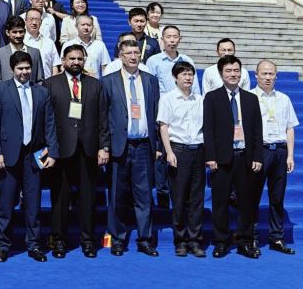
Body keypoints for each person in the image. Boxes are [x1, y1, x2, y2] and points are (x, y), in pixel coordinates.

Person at [0, 51, 58, 262]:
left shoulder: (41, 92)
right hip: (7, 155)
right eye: (20, 68)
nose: (24, 72)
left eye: (27, 68)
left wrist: (53, 151)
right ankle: (3, 245)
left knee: (33, 204)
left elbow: (49, 123)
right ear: (12, 69)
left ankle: (34, 245)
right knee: (5, 204)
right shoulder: (0, 90)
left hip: (34, 155)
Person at [46, 44, 109, 259]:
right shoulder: (50, 84)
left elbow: (103, 119)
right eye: (71, 58)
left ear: (84, 61)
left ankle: (88, 241)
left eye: (79, 59)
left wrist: (104, 147)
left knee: (88, 199)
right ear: (63, 61)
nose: (75, 62)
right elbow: (46, 120)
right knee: (60, 199)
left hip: (88, 149)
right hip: (60, 150)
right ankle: (59, 241)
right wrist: (49, 149)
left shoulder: (95, 85)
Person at [102, 39, 161, 257]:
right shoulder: (108, 81)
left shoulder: (150, 80)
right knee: (117, 195)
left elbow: (156, 113)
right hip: (119, 145)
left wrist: (157, 145)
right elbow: (103, 117)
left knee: (144, 196)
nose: (134, 57)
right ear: (120, 56)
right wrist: (104, 146)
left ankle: (145, 239)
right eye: (129, 53)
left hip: (144, 146)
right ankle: (117, 238)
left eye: (136, 52)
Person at [203, 54, 263, 259]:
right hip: (221, 159)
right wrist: (210, 156)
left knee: (247, 202)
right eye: (228, 71)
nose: (233, 74)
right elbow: (208, 129)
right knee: (220, 202)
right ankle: (221, 241)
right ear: (221, 74)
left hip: (245, 157)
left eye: (236, 70)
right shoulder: (212, 98)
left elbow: (257, 130)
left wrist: (257, 156)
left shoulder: (251, 98)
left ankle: (245, 242)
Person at [157, 61, 207, 258]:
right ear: (175, 78)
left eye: (190, 74)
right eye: (184, 74)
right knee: (178, 199)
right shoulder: (168, 99)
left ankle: (195, 240)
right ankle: (180, 240)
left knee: (197, 198)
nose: (188, 78)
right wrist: (169, 152)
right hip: (178, 150)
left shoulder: (200, 99)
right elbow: (163, 127)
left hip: (198, 150)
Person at [250, 60, 298, 255]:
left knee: (277, 198)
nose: (268, 77)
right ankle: (251, 237)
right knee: (252, 196)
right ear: (256, 75)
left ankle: (276, 238)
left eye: (271, 74)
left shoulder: (284, 99)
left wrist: (290, 155)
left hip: (279, 151)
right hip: (259, 151)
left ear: (276, 76)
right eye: (264, 73)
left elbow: (290, 128)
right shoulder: (249, 97)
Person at [146, 25, 201, 95]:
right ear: (162, 39)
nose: (172, 40)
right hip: (161, 100)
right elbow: (149, 86)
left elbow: (195, 87)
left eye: (175, 37)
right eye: (168, 37)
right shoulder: (153, 61)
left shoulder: (187, 60)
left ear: (179, 39)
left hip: (184, 100)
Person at [0, 16, 43, 84]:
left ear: (25, 31)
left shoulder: (35, 53)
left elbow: (40, 80)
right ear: (7, 32)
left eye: (21, 32)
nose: (18, 35)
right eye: (14, 32)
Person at [24, 8, 59, 78]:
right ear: (25, 21)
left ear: (41, 22)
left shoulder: (49, 42)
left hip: (47, 82)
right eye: (31, 19)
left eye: (37, 20)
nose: (34, 23)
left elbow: (55, 66)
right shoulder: (21, 41)